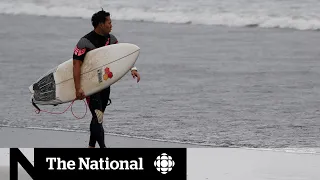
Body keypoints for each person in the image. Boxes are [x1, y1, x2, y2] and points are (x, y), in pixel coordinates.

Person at [72, 9, 140, 148]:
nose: (111, 25)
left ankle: (91, 146)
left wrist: (132, 69)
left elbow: (122, 57)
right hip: (90, 86)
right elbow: (76, 65)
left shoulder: (112, 40)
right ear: (100, 24)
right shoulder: (84, 42)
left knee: (98, 117)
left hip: (104, 84)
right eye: (109, 22)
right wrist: (78, 88)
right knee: (98, 116)